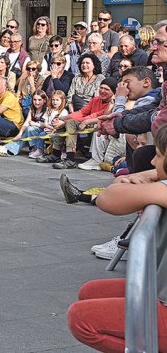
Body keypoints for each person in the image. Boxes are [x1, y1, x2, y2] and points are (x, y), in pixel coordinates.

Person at [66, 125, 167, 352]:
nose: (152, 162)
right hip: (160, 291)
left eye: (158, 156)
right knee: (89, 292)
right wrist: (155, 174)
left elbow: (108, 199)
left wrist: (148, 178)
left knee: (81, 319)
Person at [39, 78, 117, 168]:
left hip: (98, 133)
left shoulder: (113, 104)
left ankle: (70, 159)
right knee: (68, 122)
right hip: (86, 127)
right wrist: (64, 118)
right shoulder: (96, 99)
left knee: (69, 123)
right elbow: (82, 112)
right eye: (101, 88)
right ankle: (56, 155)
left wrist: (65, 122)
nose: (102, 91)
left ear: (114, 92)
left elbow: (97, 116)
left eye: (106, 89)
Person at [0, 90, 51, 158]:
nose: (37, 102)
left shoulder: (47, 109)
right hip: (34, 132)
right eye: (34, 100)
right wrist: (20, 134)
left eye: (39, 100)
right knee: (27, 129)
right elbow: (27, 122)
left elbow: (47, 124)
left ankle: (8, 149)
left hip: (44, 131)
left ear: (44, 100)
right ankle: (8, 148)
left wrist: (36, 124)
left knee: (30, 128)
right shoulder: (32, 109)